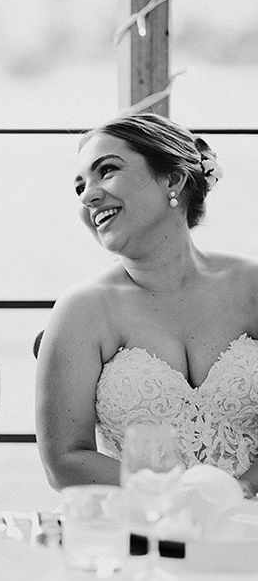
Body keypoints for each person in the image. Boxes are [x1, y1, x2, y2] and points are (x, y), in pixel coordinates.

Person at [35, 113, 258, 499]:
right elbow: (65, 460)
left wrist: (240, 492)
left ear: (172, 178)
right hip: (143, 533)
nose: (88, 195)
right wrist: (175, 498)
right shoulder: (81, 311)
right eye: (79, 188)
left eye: (107, 171)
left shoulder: (251, 285)